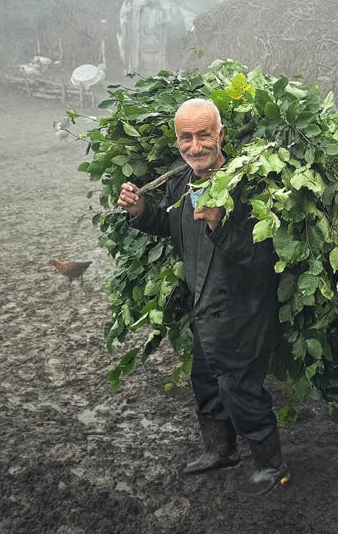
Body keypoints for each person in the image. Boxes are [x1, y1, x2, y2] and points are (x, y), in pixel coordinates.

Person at [117, 98, 289, 497]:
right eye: (186, 137)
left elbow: (268, 256)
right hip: (204, 309)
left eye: (204, 135)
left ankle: (271, 465)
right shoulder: (181, 181)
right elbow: (170, 225)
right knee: (206, 383)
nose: (195, 146)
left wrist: (220, 222)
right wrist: (142, 210)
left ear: (221, 135)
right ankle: (220, 450)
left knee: (241, 390)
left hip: (243, 315)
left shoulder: (248, 185)